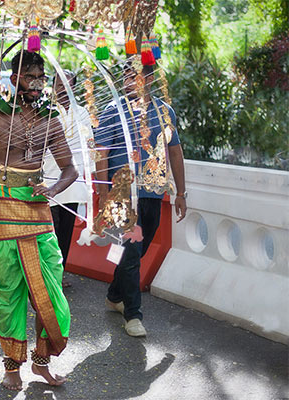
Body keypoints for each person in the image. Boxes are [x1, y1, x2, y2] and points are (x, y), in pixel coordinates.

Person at [0, 50, 77, 390]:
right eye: (30, 78)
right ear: (13, 80)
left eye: (41, 79)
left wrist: (51, 188)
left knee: (50, 289)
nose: (37, 85)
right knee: (8, 290)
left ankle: (41, 361)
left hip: (38, 211)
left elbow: (71, 168)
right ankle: (11, 367)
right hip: (0, 207)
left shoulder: (51, 120)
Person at [95, 63, 187, 337]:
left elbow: (175, 153)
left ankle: (114, 295)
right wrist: (102, 194)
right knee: (132, 252)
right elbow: (101, 153)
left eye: (135, 76)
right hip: (122, 194)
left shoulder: (164, 111)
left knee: (137, 249)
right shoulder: (113, 110)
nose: (129, 81)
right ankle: (133, 315)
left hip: (153, 193)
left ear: (149, 79)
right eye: (125, 76)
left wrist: (180, 193)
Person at [43, 71, 90, 288]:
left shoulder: (83, 113)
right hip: (50, 178)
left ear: (73, 86)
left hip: (74, 181)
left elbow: (89, 147)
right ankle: (47, 276)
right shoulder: (46, 111)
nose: (62, 87)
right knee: (50, 232)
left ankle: (58, 275)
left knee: (66, 231)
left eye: (67, 83)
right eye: (59, 83)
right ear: (52, 87)